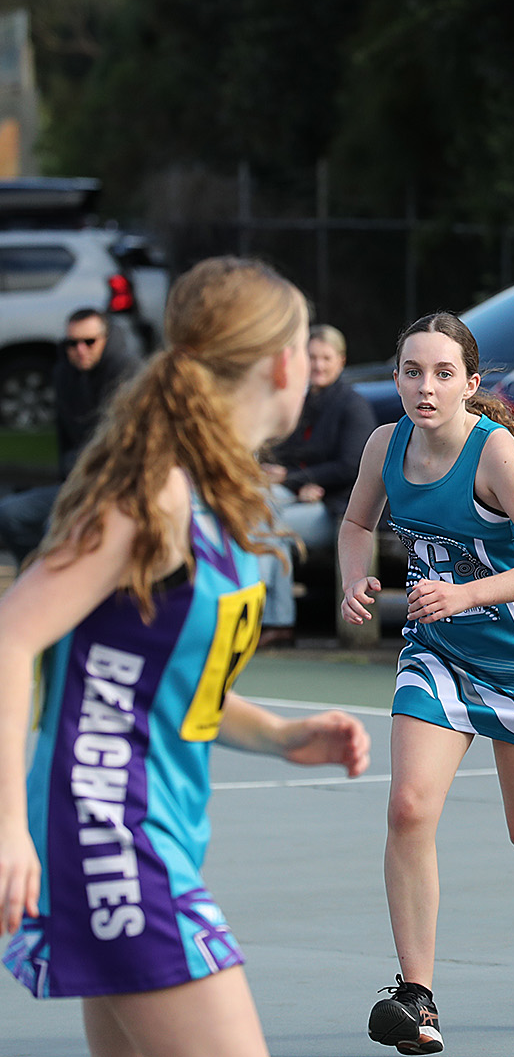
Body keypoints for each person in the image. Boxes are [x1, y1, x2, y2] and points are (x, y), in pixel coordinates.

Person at [0, 257, 371, 1057]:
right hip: (109, 830)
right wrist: (7, 828)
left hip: (149, 824)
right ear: (283, 363)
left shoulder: (212, 498)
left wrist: (276, 735)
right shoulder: (153, 498)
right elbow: (10, 636)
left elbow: (160, 683)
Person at [338, 312, 514, 1056]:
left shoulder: (495, 455)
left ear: (470, 384)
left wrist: (465, 594)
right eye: (411, 371)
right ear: (397, 376)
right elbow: (355, 524)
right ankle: (417, 997)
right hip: (436, 653)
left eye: (442, 374)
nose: (424, 387)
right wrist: (353, 581)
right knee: (408, 808)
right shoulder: (385, 443)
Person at [255, 324, 375, 647]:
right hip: (303, 499)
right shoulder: (303, 401)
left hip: (337, 510)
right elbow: (286, 453)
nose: (319, 365)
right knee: (256, 510)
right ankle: (278, 623)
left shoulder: (353, 406)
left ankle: (251, 608)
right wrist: (297, 482)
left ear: (341, 361)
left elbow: (352, 466)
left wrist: (299, 481)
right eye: (312, 357)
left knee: (264, 525)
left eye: (326, 358)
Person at [0, 308, 138, 564]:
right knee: (11, 513)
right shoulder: (63, 374)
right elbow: (65, 440)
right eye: (72, 343)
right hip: (78, 483)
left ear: (106, 340)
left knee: (57, 527)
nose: (80, 350)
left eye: (89, 342)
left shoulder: (127, 376)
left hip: (117, 488)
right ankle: (32, 579)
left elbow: (127, 449)